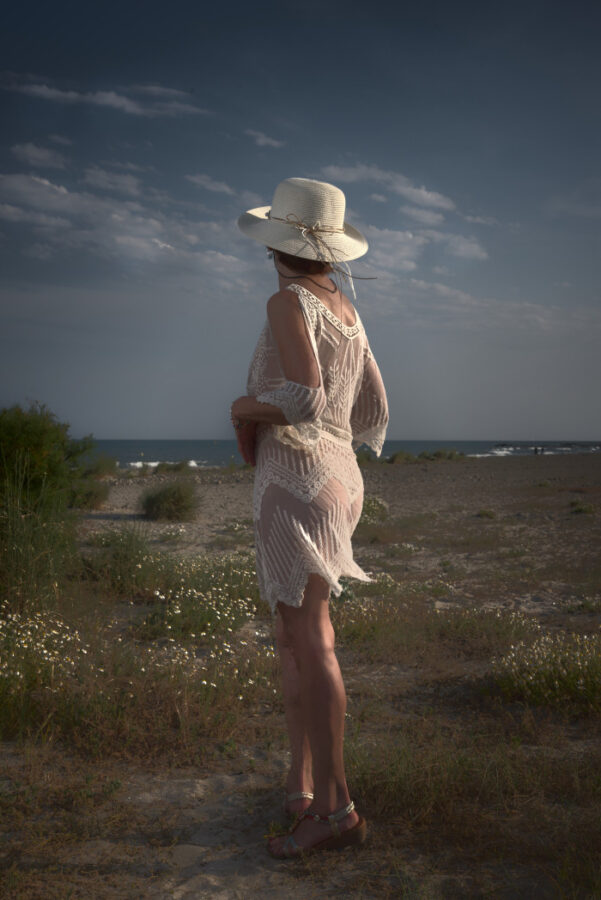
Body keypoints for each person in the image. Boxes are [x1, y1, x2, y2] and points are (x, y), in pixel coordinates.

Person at [230, 177, 389, 858]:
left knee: (311, 638)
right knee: (293, 634)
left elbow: (300, 397)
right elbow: (368, 404)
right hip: (335, 474)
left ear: (278, 242)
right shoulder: (343, 306)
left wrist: (244, 409)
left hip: (298, 478)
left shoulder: (286, 299)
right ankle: (299, 786)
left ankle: (335, 808)